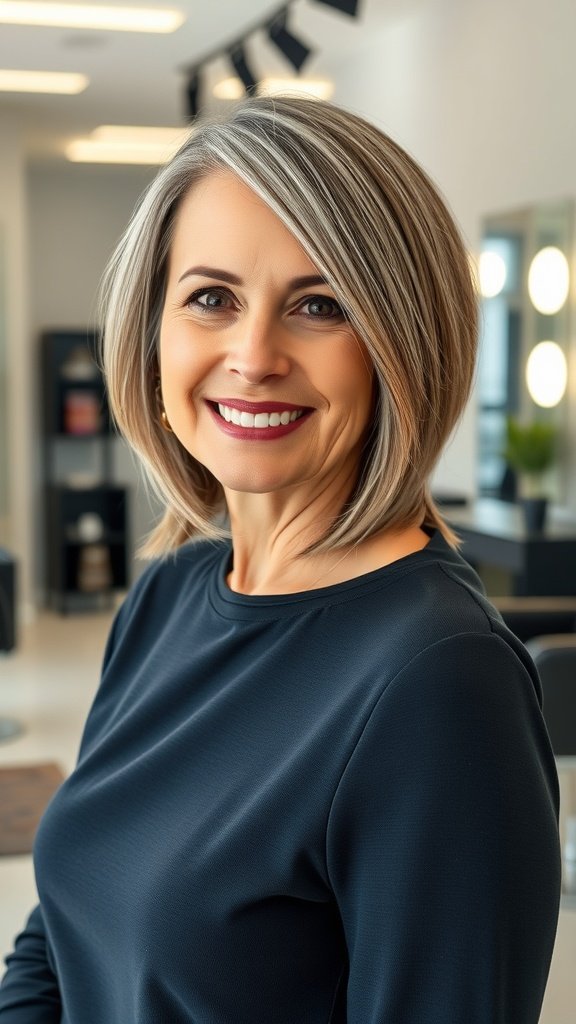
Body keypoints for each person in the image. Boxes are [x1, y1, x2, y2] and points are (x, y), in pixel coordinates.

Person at [0, 95, 560, 1023]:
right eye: (210, 298)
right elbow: (61, 935)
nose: (254, 355)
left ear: (400, 344)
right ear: (153, 333)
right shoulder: (167, 596)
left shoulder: (439, 681)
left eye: (319, 305)